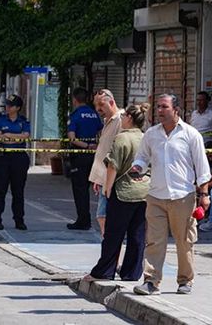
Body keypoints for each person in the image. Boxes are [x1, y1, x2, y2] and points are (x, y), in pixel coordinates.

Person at [131, 93, 210, 296]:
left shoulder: (191, 135)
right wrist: (137, 167)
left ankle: (185, 280)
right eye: (158, 107)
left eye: (164, 107)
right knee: (154, 240)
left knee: (184, 240)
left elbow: (202, 168)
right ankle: (151, 281)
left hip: (183, 196)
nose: (159, 111)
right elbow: (142, 157)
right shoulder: (151, 134)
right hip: (156, 195)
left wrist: (204, 194)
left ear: (176, 110)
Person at [85, 104, 150, 282]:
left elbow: (113, 165)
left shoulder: (121, 139)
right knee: (137, 234)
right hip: (144, 191)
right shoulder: (146, 138)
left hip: (123, 192)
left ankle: (105, 271)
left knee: (114, 234)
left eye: (124, 116)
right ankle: (132, 272)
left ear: (129, 117)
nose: (121, 118)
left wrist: (107, 187)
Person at [0, 94, 31, 231]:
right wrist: (15, 137)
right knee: (0, 189)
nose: (7, 107)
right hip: (2, 157)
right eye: (7, 104)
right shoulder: (0, 119)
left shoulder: (23, 121)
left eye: (11, 105)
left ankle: (19, 220)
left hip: (19, 158)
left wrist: (7, 136)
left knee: (18, 191)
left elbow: (25, 136)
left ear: (18, 108)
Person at [86, 89, 123, 235]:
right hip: (103, 177)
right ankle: (109, 249)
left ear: (112, 102)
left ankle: (111, 251)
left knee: (105, 217)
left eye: (101, 105)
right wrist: (98, 178)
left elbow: (117, 152)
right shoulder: (108, 120)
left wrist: (107, 179)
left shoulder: (120, 120)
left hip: (112, 179)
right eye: (96, 105)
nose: (98, 109)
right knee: (102, 217)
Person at [66, 88, 103, 231]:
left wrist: (87, 145)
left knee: (80, 189)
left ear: (75, 100)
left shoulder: (75, 115)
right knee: (94, 187)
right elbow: (101, 131)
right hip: (94, 155)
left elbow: (72, 138)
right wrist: (96, 145)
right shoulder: (94, 114)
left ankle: (83, 220)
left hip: (80, 155)